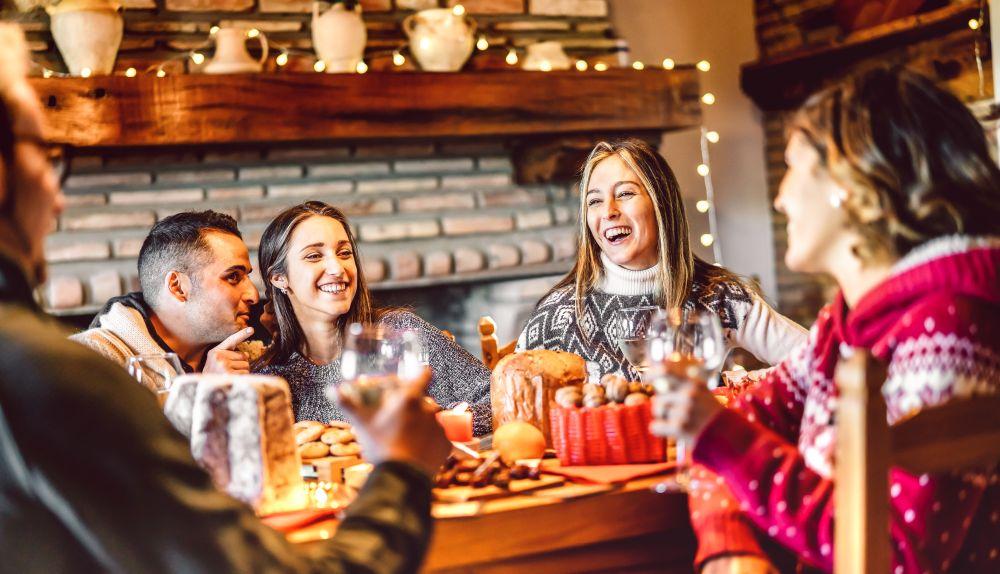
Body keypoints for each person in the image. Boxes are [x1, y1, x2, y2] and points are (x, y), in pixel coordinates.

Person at [0, 23, 451, 572]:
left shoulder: (248, 361)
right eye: (45, 153)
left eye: (343, 252)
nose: (57, 197)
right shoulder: (68, 371)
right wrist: (402, 467)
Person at [651, 66, 1000, 573]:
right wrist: (731, 547)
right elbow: (741, 426)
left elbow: (894, 556)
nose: (780, 196)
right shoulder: (846, 320)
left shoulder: (950, 328)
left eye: (793, 167)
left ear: (848, 184)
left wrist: (720, 438)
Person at [517, 138, 807, 380]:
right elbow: (509, 399)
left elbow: (818, 361)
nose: (608, 211)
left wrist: (743, 383)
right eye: (594, 201)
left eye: (625, 193)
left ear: (661, 203)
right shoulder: (558, 314)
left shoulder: (717, 295)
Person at [254, 201, 493, 435]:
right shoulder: (270, 378)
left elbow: (499, 398)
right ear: (278, 278)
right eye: (314, 256)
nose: (337, 268)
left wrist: (438, 424)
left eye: (344, 253)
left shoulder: (399, 332)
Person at [71, 210, 263, 375]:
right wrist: (204, 391)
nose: (253, 295)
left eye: (247, 276)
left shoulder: (243, 358)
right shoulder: (90, 361)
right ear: (178, 287)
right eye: (233, 277)